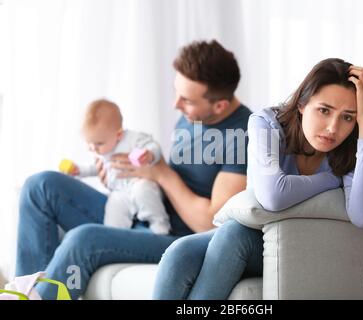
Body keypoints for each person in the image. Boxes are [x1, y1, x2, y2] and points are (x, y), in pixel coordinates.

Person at [15, 39, 252, 300]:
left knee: (84, 239)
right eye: (176, 92)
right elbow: (160, 179)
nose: (175, 104)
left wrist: (161, 173)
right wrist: (122, 178)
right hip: (142, 211)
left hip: (172, 236)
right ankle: (24, 291)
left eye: (186, 100)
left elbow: (211, 224)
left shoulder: (241, 136)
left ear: (219, 105)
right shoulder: (191, 117)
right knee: (40, 186)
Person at [152, 58, 363, 299]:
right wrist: (332, 180)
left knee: (233, 236)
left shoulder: (354, 149)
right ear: (302, 104)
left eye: (348, 117)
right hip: (256, 233)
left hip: (298, 243)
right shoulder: (267, 123)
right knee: (179, 253)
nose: (333, 127)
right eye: (324, 110)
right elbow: (273, 194)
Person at [64, 98, 170, 234]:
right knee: (114, 208)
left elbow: (153, 145)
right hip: (120, 191)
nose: (93, 148)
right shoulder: (101, 151)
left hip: (140, 182)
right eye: (89, 143)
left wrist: (148, 154)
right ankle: (115, 235)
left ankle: (160, 225)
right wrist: (79, 170)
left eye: (98, 143)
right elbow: (95, 168)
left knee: (144, 191)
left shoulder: (133, 139)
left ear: (118, 134)